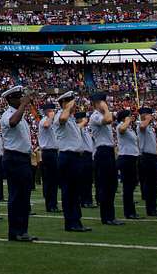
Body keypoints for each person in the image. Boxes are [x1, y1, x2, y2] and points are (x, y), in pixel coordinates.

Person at [0, 85, 37, 243]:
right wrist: (23, 104)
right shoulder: (7, 115)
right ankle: (15, 232)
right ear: (11, 99)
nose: (22, 99)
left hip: (23, 158)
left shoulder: (20, 115)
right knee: (16, 196)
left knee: (24, 196)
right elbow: (13, 122)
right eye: (19, 97)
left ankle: (23, 230)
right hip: (14, 158)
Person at [55, 91, 89, 232]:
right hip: (67, 157)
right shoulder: (60, 115)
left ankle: (76, 220)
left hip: (75, 158)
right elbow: (62, 118)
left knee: (75, 191)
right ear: (64, 103)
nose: (74, 106)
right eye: (71, 102)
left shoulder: (71, 119)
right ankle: (71, 222)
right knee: (69, 191)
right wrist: (67, 107)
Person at [89, 92, 122, 226]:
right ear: (98, 103)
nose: (105, 104)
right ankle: (106, 217)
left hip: (109, 151)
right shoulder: (95, 116)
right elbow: (109, 120)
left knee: (111, 185)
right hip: (102, 152)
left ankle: (111, 215)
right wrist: (106, 108)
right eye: (103, 101)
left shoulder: (103, 114)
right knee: (104, 185)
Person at [136, 107, 157, 217]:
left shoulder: (149, 127)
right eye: (148, 114)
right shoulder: (142, 125)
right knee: (150, 183)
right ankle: (151, 209)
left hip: (152, 157)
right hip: (146, 157)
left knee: (154, 182)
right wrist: (147, 119)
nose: (150, 116)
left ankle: (153, 207)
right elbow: (142, 126)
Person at [115, 109, 141, 220]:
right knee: (128, 186)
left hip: (132, 158)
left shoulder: (130, 128)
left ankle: (131, 210)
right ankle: (129, 212)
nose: (131, 117)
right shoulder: (121, 126)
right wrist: (127, 121)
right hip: (126, 157)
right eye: (129, 116)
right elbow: (121, 130)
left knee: (131, 186)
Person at [38, 102, 60, 213]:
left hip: (53, 152)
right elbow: (46, 125)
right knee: (50, 180)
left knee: (54, 180)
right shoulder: (44, 120)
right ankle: (50, 205)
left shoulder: (52, 122)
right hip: (48, 152)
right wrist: (50, 117)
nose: (54, 112)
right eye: (51, 110)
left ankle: (53, 204)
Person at [77, 111, 96, 208]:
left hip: (88, 156)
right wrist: (83, 122)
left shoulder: (85, 129)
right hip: (82, 156)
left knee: (88, 180)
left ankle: (88, 200)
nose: (86, 120)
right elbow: (77, 129)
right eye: (84, 118)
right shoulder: (78, 127)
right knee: (83, 180)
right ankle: (84, 200)